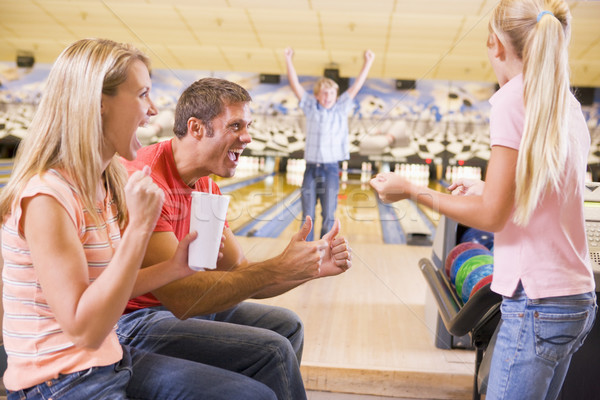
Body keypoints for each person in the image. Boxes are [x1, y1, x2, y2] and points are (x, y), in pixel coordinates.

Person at [0, 39, 277, 400]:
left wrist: (175, 267)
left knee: (253, 393)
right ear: (98, 104)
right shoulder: (47, 197)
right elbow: (84, 329)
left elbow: (106, 285)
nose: (154, 109)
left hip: (108, 359)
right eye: (143, 93)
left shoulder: (102, 183)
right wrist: (140, 228)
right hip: (61, 381)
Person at [370, 1, 596, 399]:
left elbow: (491, 216)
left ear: (495, 45)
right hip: (575, 299)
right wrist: (488, 188)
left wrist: (411, 190)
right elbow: (544, 195)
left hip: (535, 303)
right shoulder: (568, 105)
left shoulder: (512, 98)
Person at [119, 77, 353, 400]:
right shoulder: (149, 181)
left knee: (289, 326)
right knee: (274, 351)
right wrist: (280, 267)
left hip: (181, 312)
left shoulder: (206, 186)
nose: (248, 136)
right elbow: (181, 298)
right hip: (136, 322)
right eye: (236, 126)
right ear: (197, 128)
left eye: (248, 126)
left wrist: (306, 268)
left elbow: (240, 271)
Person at [284, 47, 375, 240]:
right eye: (324, 93)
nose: (328, 97)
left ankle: (322, 250)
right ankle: (306, 251)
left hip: (331, 170)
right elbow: (295, 85)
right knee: (307, 216)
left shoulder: (341, 107)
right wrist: (288, 59)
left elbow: (356, 86)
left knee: (328, 217)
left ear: (336, 95)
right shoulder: (310, 106)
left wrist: (368, 62)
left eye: (331, 93)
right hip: (310, 169)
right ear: (317, 95)